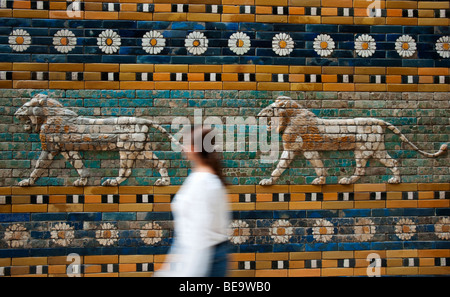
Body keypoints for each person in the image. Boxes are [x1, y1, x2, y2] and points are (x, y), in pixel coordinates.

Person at [155, 126, 231, 277]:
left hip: (203, 262)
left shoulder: (202, 182)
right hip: (207, 257)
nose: (183, 147)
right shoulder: (207, 178)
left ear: (195, 149)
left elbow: (199, 238)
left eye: (186, 143)